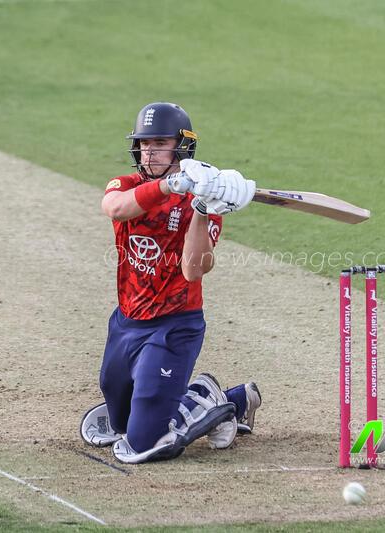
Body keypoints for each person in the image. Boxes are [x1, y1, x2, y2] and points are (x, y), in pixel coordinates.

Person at [79, 102, 262, 464]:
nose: (149, 151)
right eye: (144, 144)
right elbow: (116, 208)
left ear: (181, 147)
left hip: (174, 326)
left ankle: (211, 398)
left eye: (160, 143)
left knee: (145, 440)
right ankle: (219, 401)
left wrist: (202, 209)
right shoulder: (127, 185)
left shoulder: (202, 200)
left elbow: (194, 270)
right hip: (127, 321)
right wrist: (168, 185)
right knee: (119, 421)